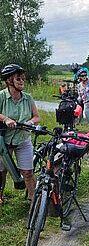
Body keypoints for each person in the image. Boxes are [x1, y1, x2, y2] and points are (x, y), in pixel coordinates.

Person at [0, 64, 40, 205]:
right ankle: (0, 195)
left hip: (23, 139)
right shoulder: (1, 96)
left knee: (28, 172)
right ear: (9, 80)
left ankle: (34, 199)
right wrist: (5, 119)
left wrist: (30, 123)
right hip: (4, 141)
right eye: (18, 78)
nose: (22, 81)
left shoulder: (28, 98)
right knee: (1, 171)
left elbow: (36, 117)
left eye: (23, 78)